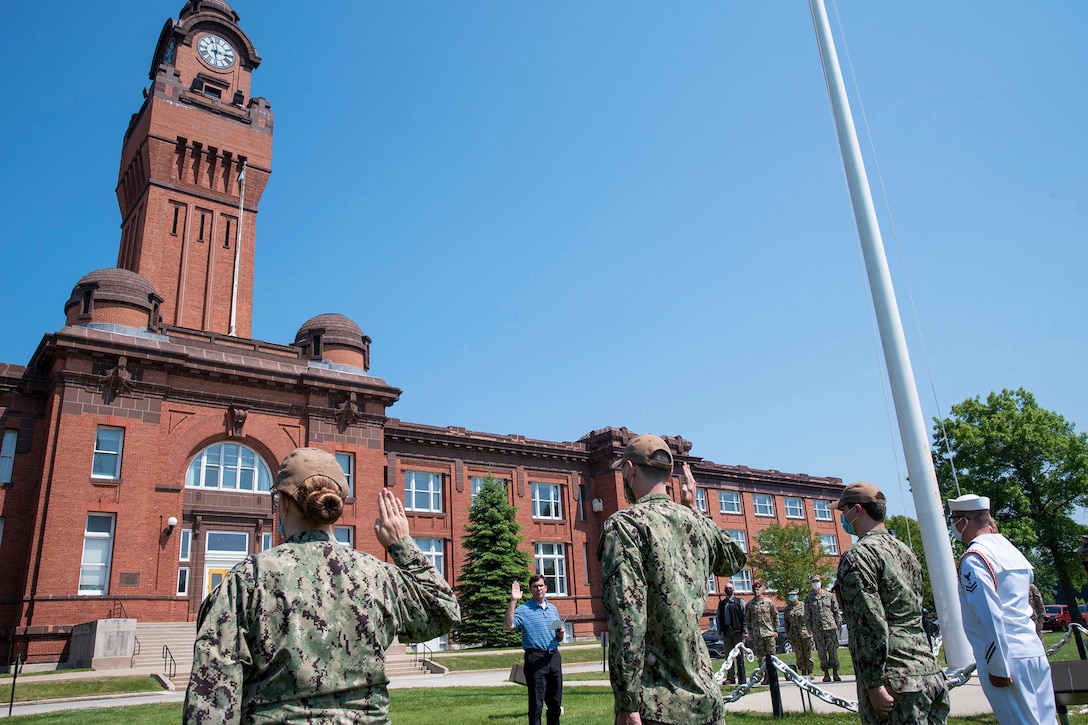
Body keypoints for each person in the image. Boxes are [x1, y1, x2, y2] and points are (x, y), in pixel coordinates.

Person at [183, 447, 461, 723]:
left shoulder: (248, 580)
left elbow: (211, 702)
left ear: (283, 501)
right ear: (337, 504)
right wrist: (401, 544)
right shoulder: (377, 575)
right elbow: (445, 612)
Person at [598, 433, 746, 725]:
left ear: (629, 470)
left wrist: (627, 702)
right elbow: (734, 558)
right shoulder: (695, 522)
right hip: (707, 700)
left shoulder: (625, 525)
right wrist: (695, 508)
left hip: (658, 706)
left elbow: (628, 619)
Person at [833, 482, 949, 725]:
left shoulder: (859, 556)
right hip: (928, 670)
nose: (843, 518)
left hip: (894, 679)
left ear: (857, 510)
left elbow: (869, 623)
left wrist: (873, 684)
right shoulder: (905, 550)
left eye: (843, 511)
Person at [949, 493, 1056, 725]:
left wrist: (997, 666)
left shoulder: (975, 557)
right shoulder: (1011, 551)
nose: (953, 526)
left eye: (953, 519)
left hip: (1006, 656)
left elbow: (989, 614)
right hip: (1032, 649)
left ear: (964, 521)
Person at [504, 574, 564, 725]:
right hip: (535, 659)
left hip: (554, 658)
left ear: (546, 588)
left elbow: (558, 638)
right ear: (531, 590)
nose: (539, 589)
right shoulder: (524, 610)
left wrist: (560, 634)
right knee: (536, 704)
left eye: (541, 586)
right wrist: (513, 600)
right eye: (535, 587)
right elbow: (508, 626)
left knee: (555, 703)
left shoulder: (553, 609)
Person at [804, 573, 843, 682]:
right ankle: (826, 674)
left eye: (817, 581)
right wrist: (808, 628)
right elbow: (807, 615)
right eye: (813, 582)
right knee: (821, 652)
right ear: (811, 584)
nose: (816, 584)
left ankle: (835, 673)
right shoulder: (808, 599)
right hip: (817, 629)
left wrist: (839, 624)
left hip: (830, 627)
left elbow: (836, 611)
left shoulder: (829, 596)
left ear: (820, 582)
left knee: (833, 651)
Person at [744, 580, 778, 684]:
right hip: (757, 635)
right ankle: (765, 677)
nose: (756, 591)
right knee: (761, 658)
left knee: (771, 656)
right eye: (754, 589)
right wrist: (750, 632)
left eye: (758, 589)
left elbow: (775, 616)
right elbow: (748, 620)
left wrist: (776, 630)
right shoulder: (750, 604)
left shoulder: (768, 602)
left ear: (761, 589)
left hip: (768, 634)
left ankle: (773, 677)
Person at [716, 585, 746, 684]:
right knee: (728, 656)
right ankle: (730, 677)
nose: (728, 590)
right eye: (726, 588)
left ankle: (742, 677)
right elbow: (718, 619)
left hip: (738, 632)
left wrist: (745, 631)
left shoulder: (739, 602)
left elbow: (744, 617)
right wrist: (719, 632)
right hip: (727, 633)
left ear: (733, 590)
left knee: (739, 655)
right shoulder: (722, 603)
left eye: (730, 588)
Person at [784, 588, 814, 677]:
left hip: (805, 632)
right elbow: (786, 623)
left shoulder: (804, 606)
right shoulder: (787, 609)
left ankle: (810, 671)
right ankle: (803, 671)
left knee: (808, 653)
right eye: (790, 595)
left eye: (793, 595)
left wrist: (811, 630)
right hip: (794, 634)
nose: (792, 597)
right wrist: (788, 634)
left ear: (797, 596)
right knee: (799, 654)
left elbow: (810, 619)